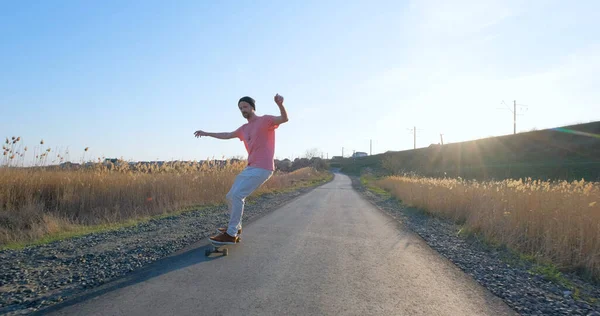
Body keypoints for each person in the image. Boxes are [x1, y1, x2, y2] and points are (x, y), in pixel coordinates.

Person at [194, 94, 289, 244]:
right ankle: (235, 227)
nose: (243, 110)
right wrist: (207, 133)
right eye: (240, 108)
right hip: (250, 167)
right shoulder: (244, 128)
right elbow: (227, 135)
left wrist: (280, 104)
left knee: (238, 195)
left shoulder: (265, 120)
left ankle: (231, 235)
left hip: (263, 167)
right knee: (230, 195)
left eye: (245, 107)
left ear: (252, 107)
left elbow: (284, 119)